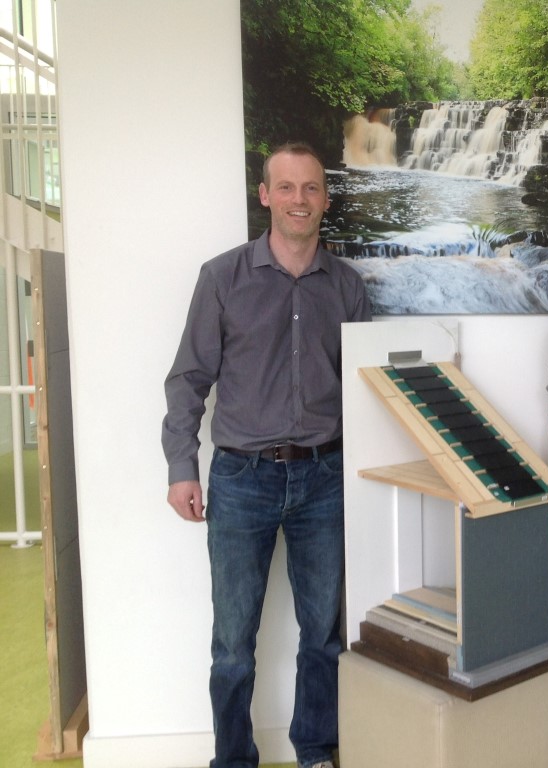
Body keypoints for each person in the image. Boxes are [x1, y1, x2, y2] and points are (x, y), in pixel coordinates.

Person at [162, 142, 371, 768]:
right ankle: (232, 760)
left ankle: (315, 752)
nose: (298, 199)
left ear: (325, 199)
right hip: (240, 478)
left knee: (325, 636)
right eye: (286, 187)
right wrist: (181, 468)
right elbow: (188, 379)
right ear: (265, 195)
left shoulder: (348, 286)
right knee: (232, 644)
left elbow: (367, 387)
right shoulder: (221, 278)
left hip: (326, 477)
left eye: (310, 188)